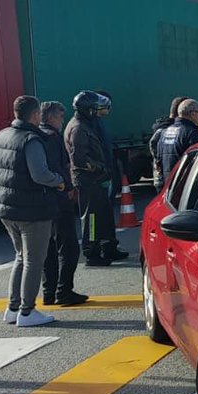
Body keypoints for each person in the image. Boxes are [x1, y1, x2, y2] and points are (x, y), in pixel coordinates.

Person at [0, 95, 66, 328]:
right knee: (34, 260)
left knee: (21, 257)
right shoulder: (31, 139)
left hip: (6, 207)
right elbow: (39, 174)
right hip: (32, 209)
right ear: (34, 115)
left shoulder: (1, 136)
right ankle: (27, 310)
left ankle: (13, 308)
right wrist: (59, 181)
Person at [66, 91, 127, 266]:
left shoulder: (89, 124)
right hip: (89, 180)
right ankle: (91, 252)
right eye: (97, 109)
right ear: (89, 110)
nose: (100, 111)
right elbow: (79, 160)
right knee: (92, 218)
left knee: (106, 216)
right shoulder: (78, 128)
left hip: (99, 178)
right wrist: (99, 168)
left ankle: (109, 248)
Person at [38, 102, 88, 307]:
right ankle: (64, 290)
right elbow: (60, 166)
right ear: (50, 117)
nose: (61, 121)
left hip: (42, 201)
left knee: (48, 248)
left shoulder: (36, 136)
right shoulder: (52, 137)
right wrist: (68, 187)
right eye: (59, 117)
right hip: (58, 199)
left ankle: (49, 292)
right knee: (68, 247)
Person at [157, 99, 198, 181]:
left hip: (168, 181)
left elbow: (159, 157)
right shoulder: (192, 132)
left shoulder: (165, 131)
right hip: (185, 183)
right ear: (193, 114)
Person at [150, 97, 184, 191]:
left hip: (162, 177)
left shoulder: (162, 129)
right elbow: (155, 150)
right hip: (166, 178)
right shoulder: (166, 130)